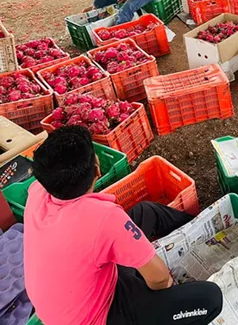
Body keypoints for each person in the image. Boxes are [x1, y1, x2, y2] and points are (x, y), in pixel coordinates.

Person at [23, 126, 223, 325]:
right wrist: (165, 299)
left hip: (78, 298)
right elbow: (160, 279)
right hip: (101, 317)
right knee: (211, 297)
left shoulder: (38, 192)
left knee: (146, 212)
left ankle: (202, 224)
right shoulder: (104, 217)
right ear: (97, 169)